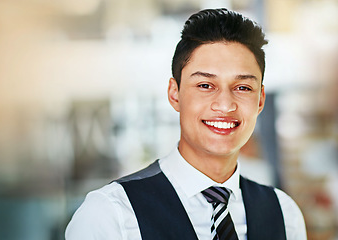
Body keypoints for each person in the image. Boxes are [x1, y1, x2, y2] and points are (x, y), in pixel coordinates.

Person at [65, 8, 306, 240]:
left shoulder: (284, 214)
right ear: (174, 94)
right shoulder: (111, 214)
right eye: (205, 86)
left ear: (260, 100)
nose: (225, 105)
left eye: (242, 88)